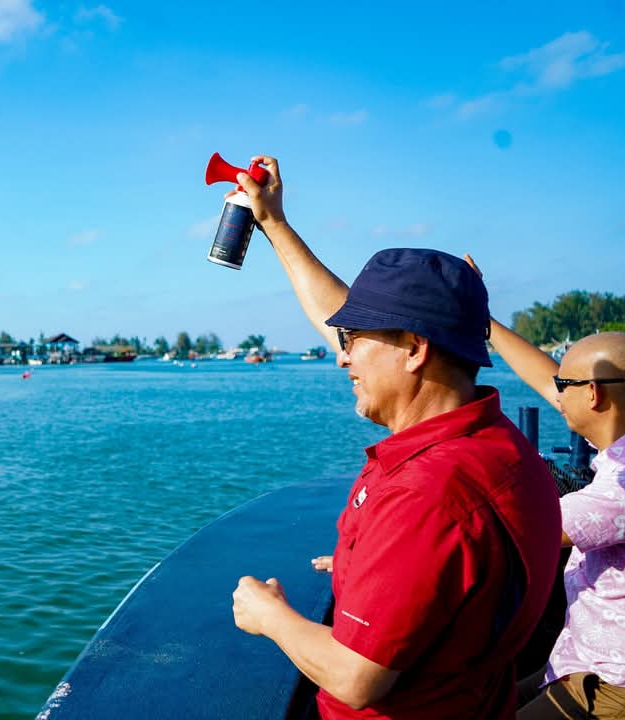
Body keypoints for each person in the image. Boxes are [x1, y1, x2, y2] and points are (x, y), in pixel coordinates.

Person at [227, 155, 562, 719]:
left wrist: (271, 616)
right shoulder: (498, 447)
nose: (342, 357)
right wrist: (275, 224)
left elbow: (357, 678)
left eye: (354, 339)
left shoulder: (430, 495)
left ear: (414, 347)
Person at [465, 256, 625, 719]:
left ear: (592, 395)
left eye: (563, 385)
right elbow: (549, 380)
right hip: (577, 662)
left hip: (621, 688)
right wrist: (483, 318)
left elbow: (519, 530)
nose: (555, 394)